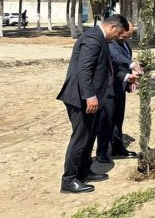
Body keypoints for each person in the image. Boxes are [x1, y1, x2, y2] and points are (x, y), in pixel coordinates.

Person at [57, 14, 129, 194]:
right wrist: (89, 96)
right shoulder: (92, 39)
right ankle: (69, 180)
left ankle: (83, 171)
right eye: (119, 33)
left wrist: (125, 76)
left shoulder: (100, 39)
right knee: (80, 138)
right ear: (112, 27)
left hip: (93, 99)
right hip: (80, 98)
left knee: (89, 137)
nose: (120, 37)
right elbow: (84, 69)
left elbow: (107, 67)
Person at [95, 23, 142, 163]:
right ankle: (101, 152)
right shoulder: (111, 42)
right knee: (105, 122)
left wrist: (129, 81)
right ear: (119, 31)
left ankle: (117, 148)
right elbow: (115, 58)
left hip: (120, 86)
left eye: (129, 37)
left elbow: (123, 65)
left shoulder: (125, 43)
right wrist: (131, 64)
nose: (126, 39)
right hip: (109, 89)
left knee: (117, 120)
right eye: (124, 36)